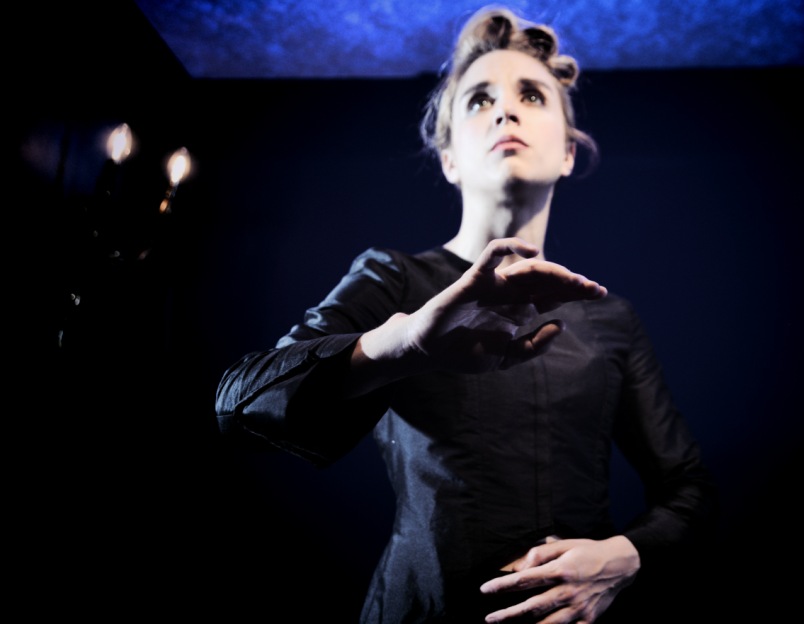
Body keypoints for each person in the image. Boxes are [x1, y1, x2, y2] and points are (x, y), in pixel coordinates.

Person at [215, 5, 716, 623]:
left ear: (568, 152)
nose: (505, 111)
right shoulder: (394, 278)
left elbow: (691, 491)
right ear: (449, 158)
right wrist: (405, 344)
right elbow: (239, 405)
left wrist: (625, 555)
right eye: (479, 100)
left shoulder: (611, 318)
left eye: (531, 95)